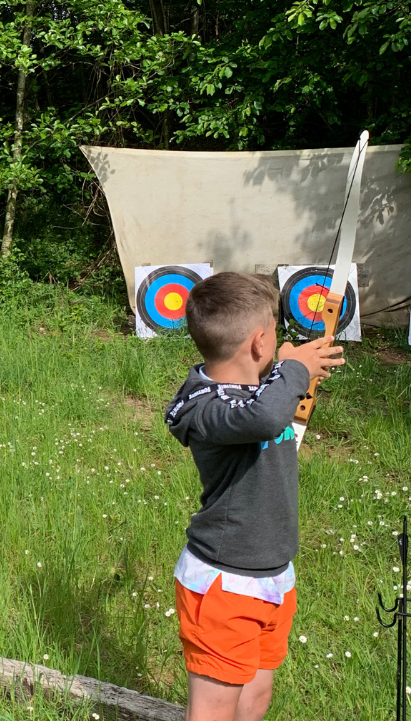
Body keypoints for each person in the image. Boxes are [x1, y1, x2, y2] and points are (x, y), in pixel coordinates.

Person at [164, 272, 344, 721]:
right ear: (260, 342)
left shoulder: (260, 392)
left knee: (255, 698)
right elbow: (263, 416)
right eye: (277, 334)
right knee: (213, 711)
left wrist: (293, 374)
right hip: (224, 584)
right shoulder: (206, 406)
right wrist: (293, 368)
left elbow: (269, 406)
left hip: (271, 575)